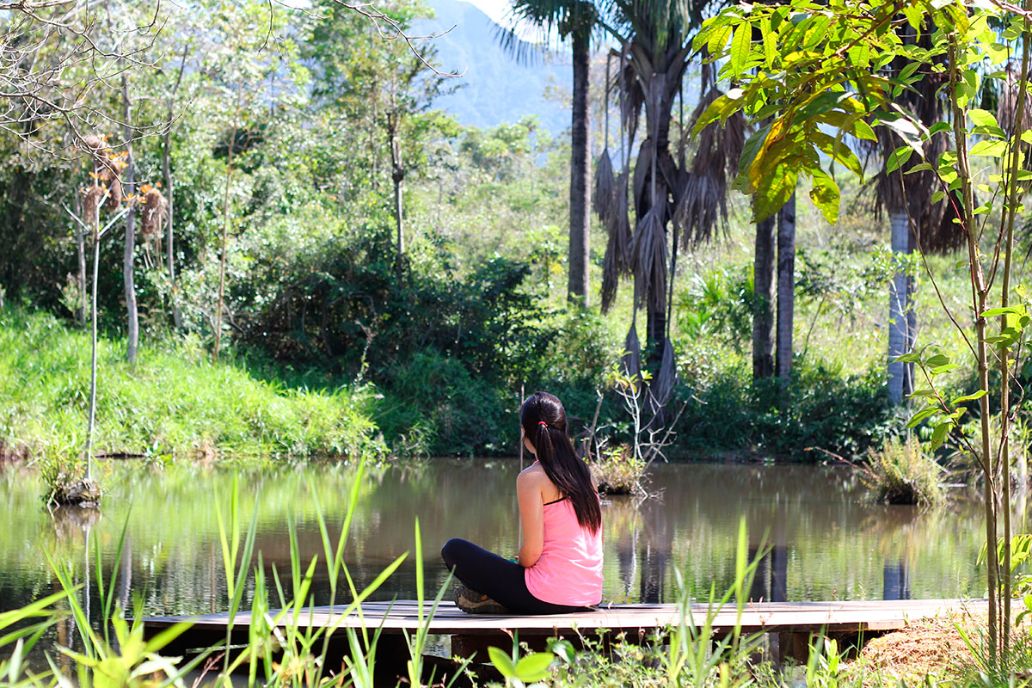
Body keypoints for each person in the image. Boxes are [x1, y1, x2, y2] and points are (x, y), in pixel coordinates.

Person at [441, 391, 603, 614]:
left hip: (546, 596)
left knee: (453, 549)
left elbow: (532, 553)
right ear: (563, 428)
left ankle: (497, 598)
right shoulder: (586, 473)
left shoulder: (531, 478)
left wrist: (516, 563)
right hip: (589, 595)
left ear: (525, 432)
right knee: (511, 569)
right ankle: (498, 598)